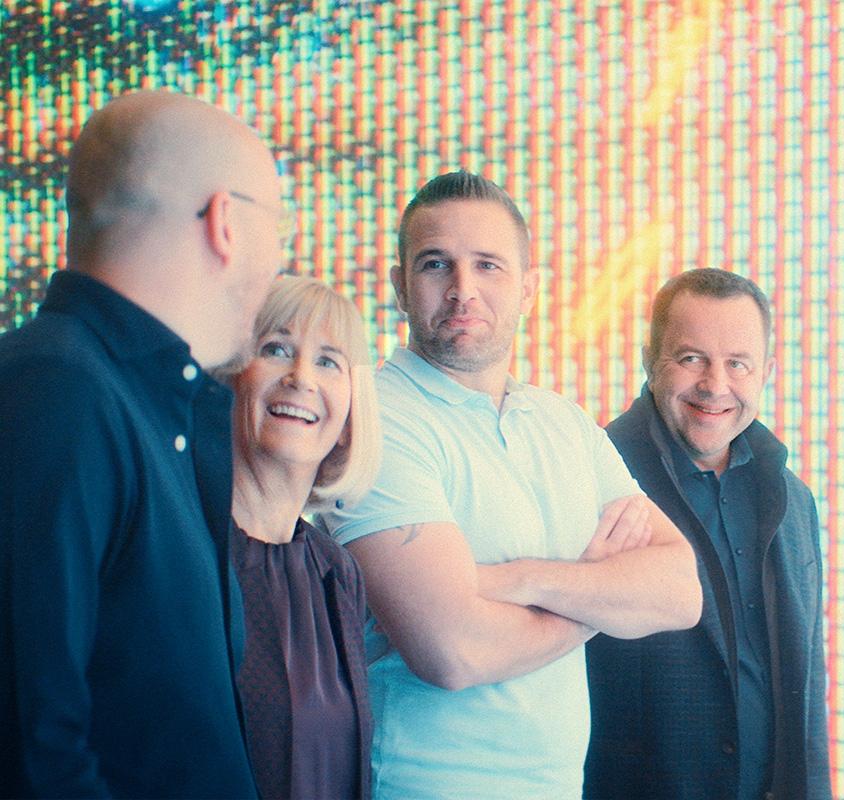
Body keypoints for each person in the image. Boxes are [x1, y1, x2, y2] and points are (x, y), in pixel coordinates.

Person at [315, 170, 703, 798]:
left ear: (528, 290)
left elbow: (680, 591)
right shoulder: (375, 420)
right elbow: (453, 652)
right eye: (436, 263)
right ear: (398, 286)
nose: (463, 290)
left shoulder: (565, 424)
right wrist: (596, 598)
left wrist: (524, 578)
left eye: (488, 266)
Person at [0, 90, 286, 797]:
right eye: (281, 227)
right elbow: (30, 746)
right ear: (226, 222)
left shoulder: (145, 404)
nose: (281, 260)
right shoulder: (56, 390)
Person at [584, 268, 832, 800]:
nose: (715, 386)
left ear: (765, 372)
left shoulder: (794, 501)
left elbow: (806, 688)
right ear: (651, 361)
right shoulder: (592, 478)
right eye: (691, 358)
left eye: (737, 364)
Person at [222, 276, 381, 799]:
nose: (300, 378)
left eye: (329, 361)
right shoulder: (181, 552)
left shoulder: (336, 571)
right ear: (229, 376)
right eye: (276, 349)